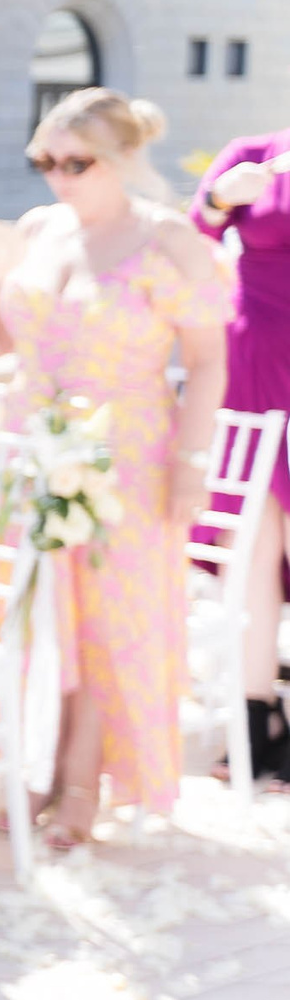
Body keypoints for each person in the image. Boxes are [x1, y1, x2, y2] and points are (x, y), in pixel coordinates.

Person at [0, 90, 230, 843]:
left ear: (124, 158)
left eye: (77, 162)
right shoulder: (37, 230)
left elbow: (205, 360)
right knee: (32, 615)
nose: (58, 178)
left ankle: (78, 785)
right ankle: (29, 767)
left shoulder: (167, 239)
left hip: (126, 455)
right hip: (30, 450)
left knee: (107, 623)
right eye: (45, 161)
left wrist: (192, 462)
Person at [192, 130, 290, 785]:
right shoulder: (253, 151)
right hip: (253, 362)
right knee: (253, 543)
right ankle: (257, 713)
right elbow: (194, 231)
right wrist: (224, 195)